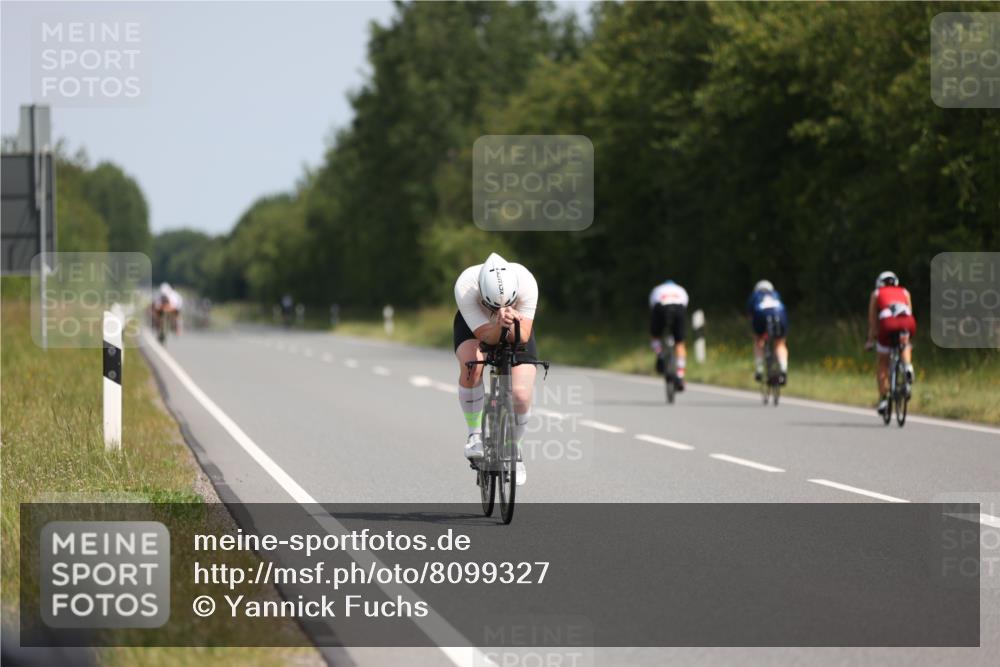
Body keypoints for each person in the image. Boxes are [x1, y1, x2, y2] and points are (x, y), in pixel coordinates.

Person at [454, 252, 539, 486]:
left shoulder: (527, 282)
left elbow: (523, 336)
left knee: (521, 395)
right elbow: (486, 338)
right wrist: (498, 325)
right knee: (472, 365)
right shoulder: (466, 286)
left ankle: (514, 449)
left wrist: (511, 323)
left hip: (517, 324)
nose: (500, 307)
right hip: (477, 326)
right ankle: (475, 434)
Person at [865, 270, 916, 417]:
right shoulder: (905, 292)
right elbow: (909, 311)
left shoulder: (876, 293)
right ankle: (907, 367)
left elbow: (873, 320)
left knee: (883, 363)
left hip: (888, 322)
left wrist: (871, 339)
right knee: (905, 344)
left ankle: (883, 400)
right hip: (907, 321)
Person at [648, 279, 688, 390]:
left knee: (655, 336)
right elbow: (685, 305)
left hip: (661, 308)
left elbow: (652, 306)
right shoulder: (681, 290)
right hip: (679, 308)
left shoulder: (657, 289)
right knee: (680, 343)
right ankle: (680, 375)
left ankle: (660, 354)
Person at [746, 279, 789, 385]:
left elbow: (750, 315)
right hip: (780, 315)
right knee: (780, 343)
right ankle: (783, 370)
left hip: (761, 315)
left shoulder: (755, 295)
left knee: (758, 341)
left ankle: (759, 370)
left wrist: (757, 334)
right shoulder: (776, 294)